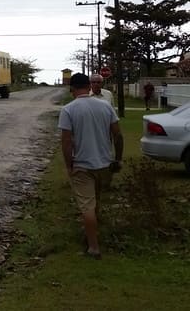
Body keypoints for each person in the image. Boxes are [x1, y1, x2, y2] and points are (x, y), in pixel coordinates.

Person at [58, 73, 123, 260]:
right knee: (96, 202)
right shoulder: (105, 106)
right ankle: (91, 232)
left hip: (82, 165)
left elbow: (67, 142)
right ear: (89, 86)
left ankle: (93, 247)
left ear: (72, 90)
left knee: (87, 206)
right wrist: (118, 159)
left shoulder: (68, 110)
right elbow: (118, 136)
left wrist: (69, 166)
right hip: (104, 164)